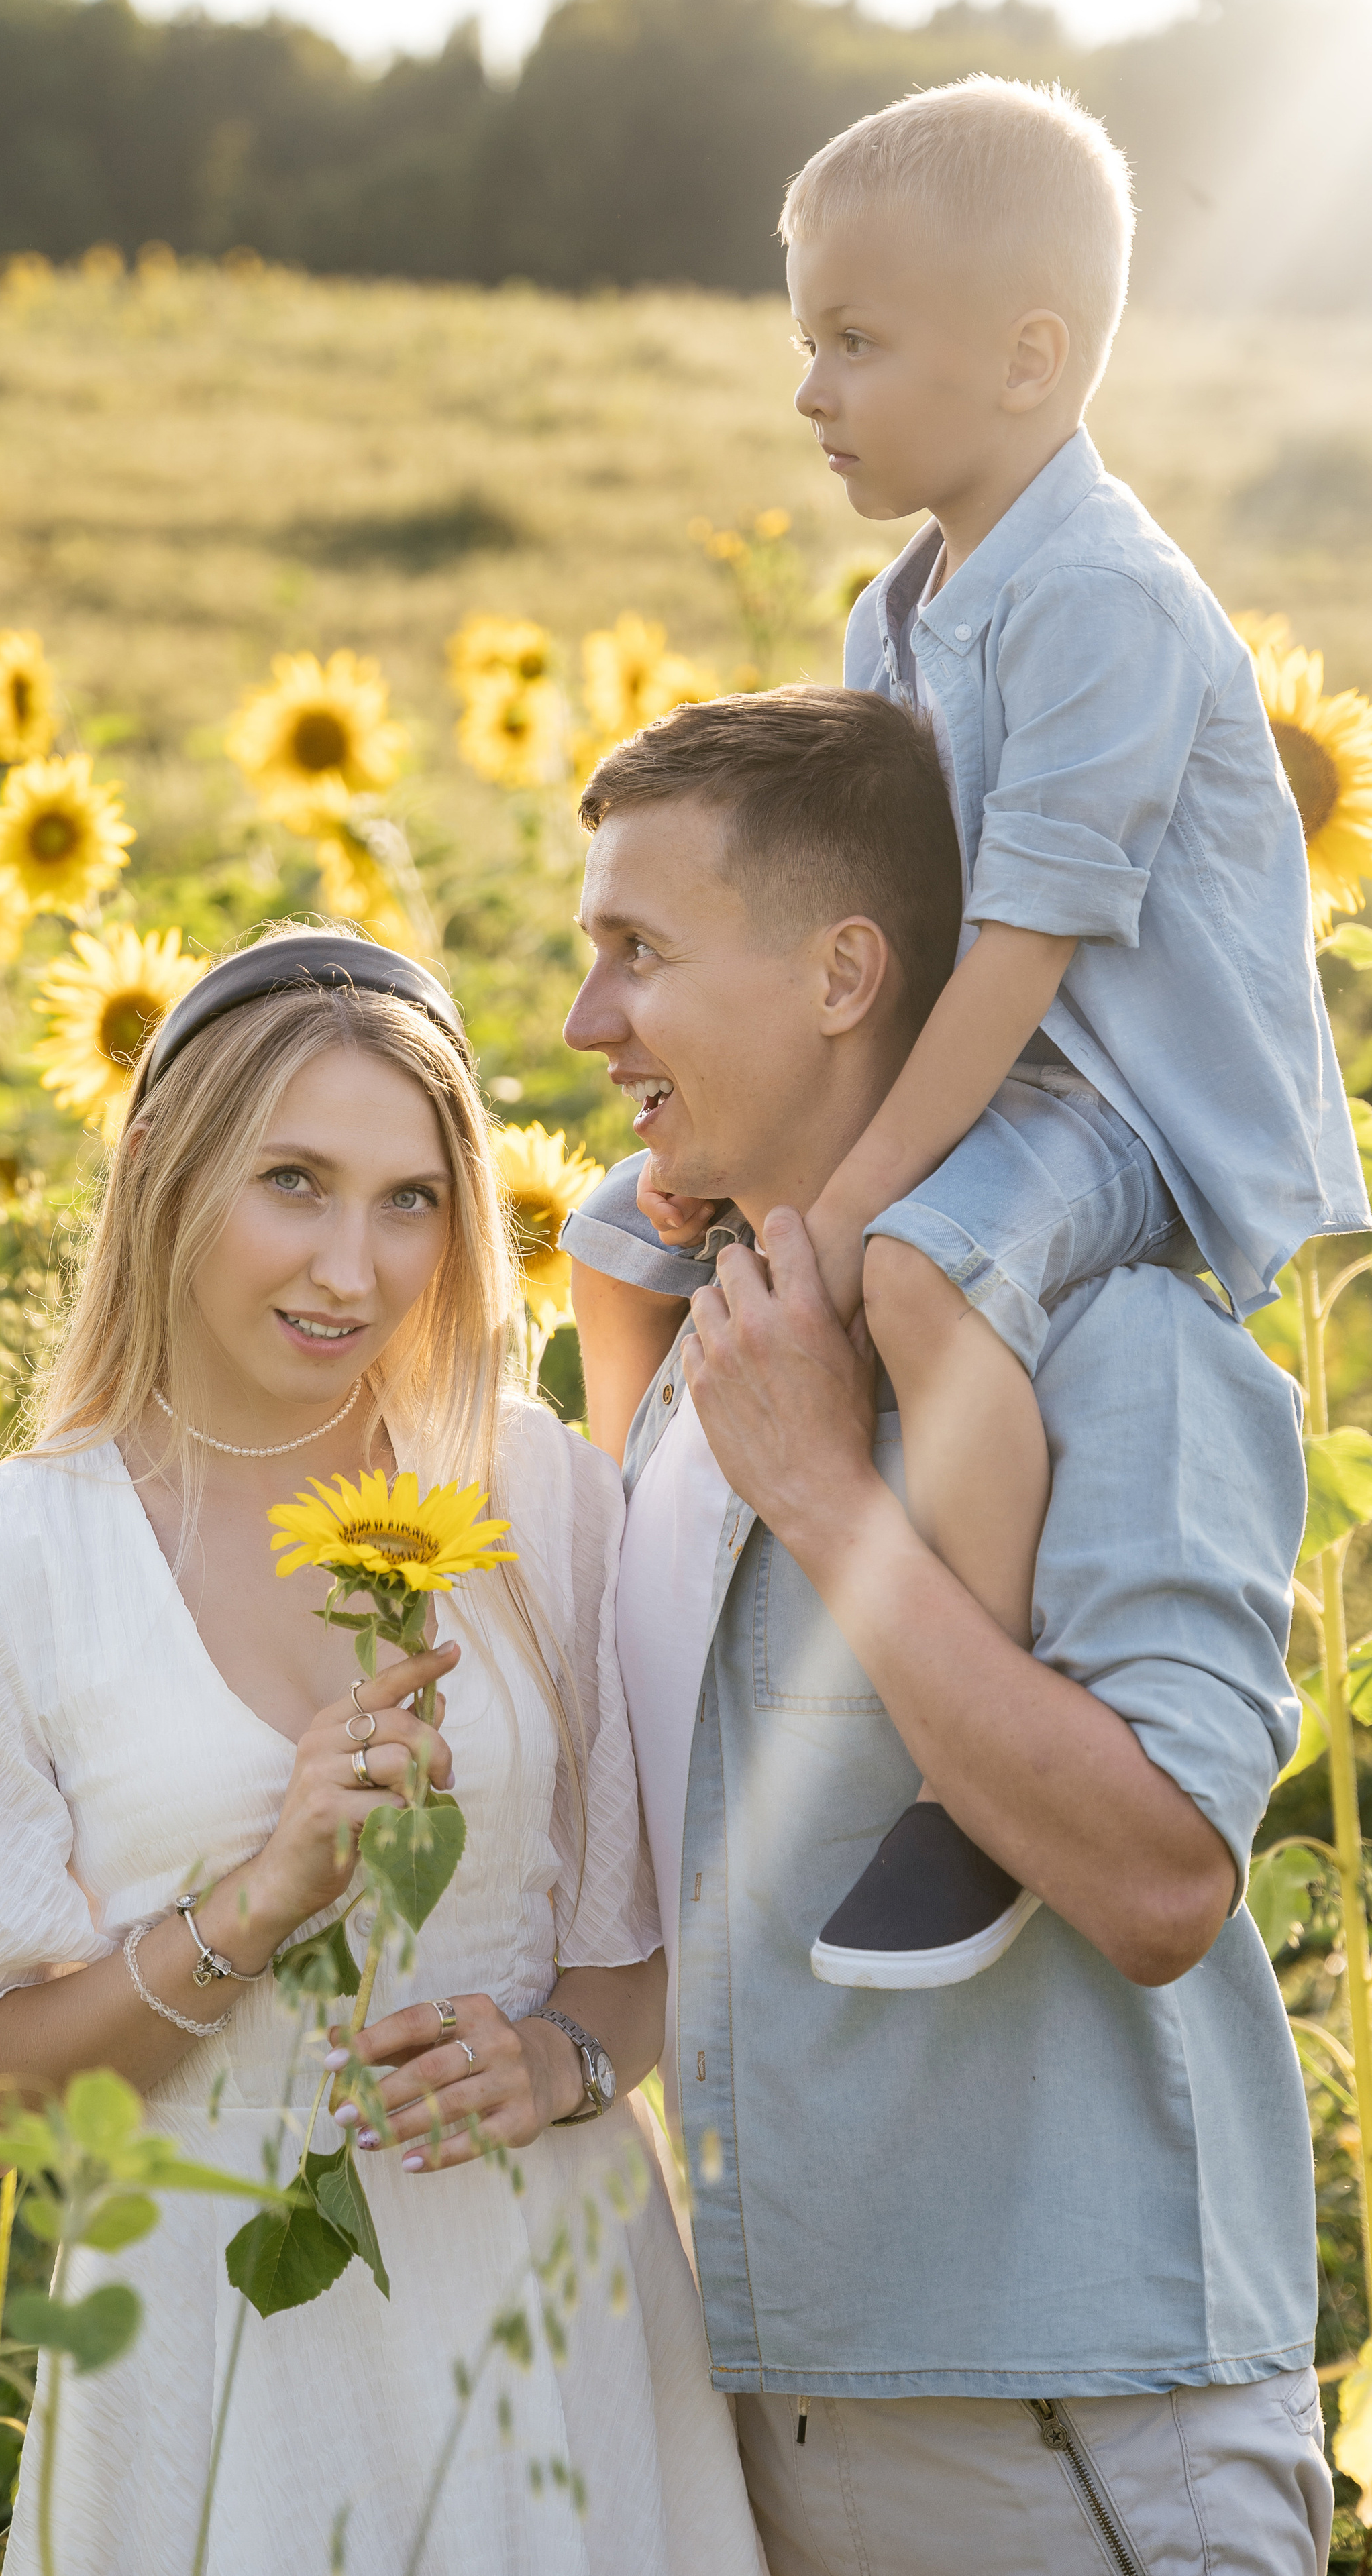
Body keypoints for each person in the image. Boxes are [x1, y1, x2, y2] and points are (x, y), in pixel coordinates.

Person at [0, 925, 763, 2576]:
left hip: (552, 2318)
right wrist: (256, 1903)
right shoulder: (13, 1564)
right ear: (159, 1167)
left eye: (409, 1199)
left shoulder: (534, 1498)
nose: (352, 1270)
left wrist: (563, 2061)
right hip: (212, 2333)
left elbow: (662, 1928)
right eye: (291, 1182)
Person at [561, 685, 1332, 2576]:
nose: (586, 1023)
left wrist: (834, 1499)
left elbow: (1163, 1883)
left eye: (636, 954)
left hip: (1068, 2420)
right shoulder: (710, 1340)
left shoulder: (1116, 1341)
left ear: (843, 973)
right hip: (769, 2390)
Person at [629, 75, 1367, 1987]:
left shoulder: (1105, 603)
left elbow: (1024, 958)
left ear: (1032, 360)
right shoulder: (906, 608)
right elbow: (892, 914)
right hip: (1013, 1066)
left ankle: (991, 1756)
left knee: (924, 1283)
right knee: (635, 1228)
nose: (811, 394)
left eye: (856, 344)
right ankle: (637, 1607)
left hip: (1134, 1105)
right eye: (809, 342)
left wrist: (860, 1201)